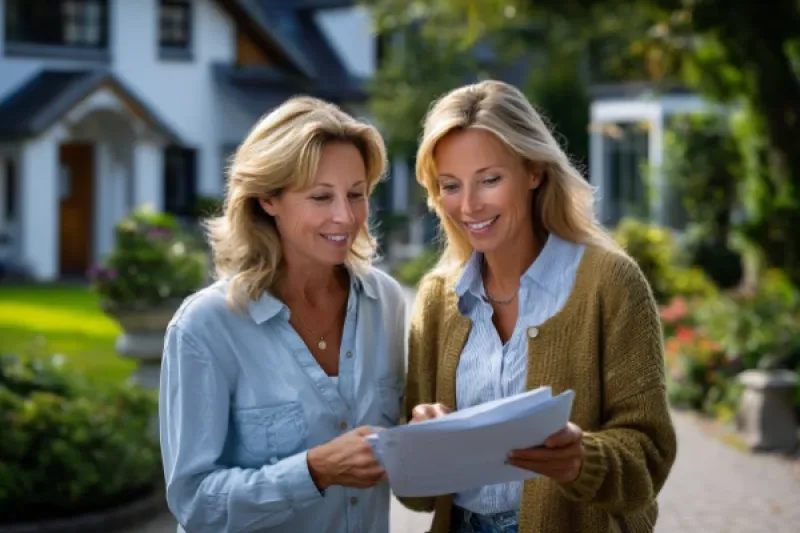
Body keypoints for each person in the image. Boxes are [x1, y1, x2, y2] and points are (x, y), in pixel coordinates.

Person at [400, 80, 677, 533]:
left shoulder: (609, 283)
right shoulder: (436, 299)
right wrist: (419, 441)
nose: (468, 206)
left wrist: (580, 460)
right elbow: (416, 496)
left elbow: (649, 459)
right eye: (450, 185)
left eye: (490, 179)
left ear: (534, 171)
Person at [159, 96, 407, 533]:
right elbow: (195, 504)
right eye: (320, 196)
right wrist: (313, 471)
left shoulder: (384, 301)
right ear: (268, 199)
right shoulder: (206, 326)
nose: (344, 216)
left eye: (356, 194)